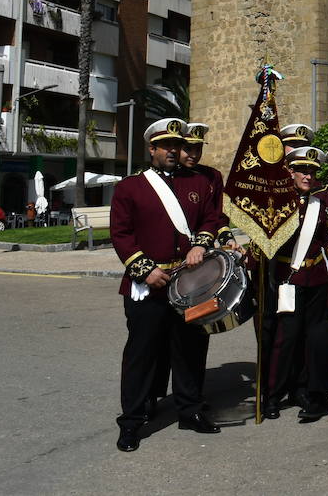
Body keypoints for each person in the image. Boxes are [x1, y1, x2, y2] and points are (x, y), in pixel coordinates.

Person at [109, 118, 230, 452]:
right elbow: (121, 234)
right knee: (142, 354)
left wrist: (200, 245)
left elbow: (210, 218)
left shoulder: (197, 181)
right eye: (167, 146)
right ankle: (132, 422)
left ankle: (190, 410)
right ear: (152, 149)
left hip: (190, 284)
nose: (175, 151)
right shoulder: (130, 187)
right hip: (148, 285)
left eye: (177, 146)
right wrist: (145, 269)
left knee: (191, 349)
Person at [264, 146, 328, 421]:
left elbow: (327, 240)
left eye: (312, 171)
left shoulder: (320, 204)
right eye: (302, 171)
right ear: (290, 172)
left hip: (316, 277)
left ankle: (301, 389)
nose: (308, 176)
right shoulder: (278, 203)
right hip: (289, 278)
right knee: (286, 339)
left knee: (310, 337)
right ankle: (272, 395)